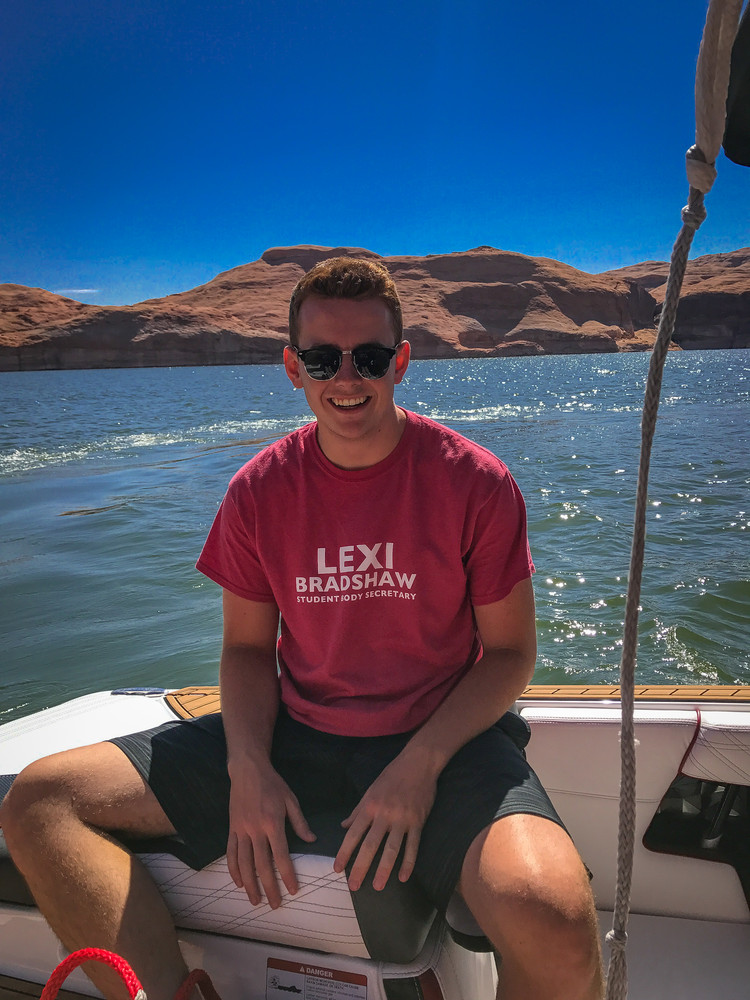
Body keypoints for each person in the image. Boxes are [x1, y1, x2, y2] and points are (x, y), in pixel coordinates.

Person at [1, 257, 603, 1000]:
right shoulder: (258, 491)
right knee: (40, 800)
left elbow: (510, 654)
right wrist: (248, 767)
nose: (346, 378)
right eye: (323, 359)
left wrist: (418, 767)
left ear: (401, 363)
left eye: (369, 358)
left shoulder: (474, 481)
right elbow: (247, 649)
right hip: (299, 732)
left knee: (554, 919)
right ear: (293, 368)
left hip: (445, 741)